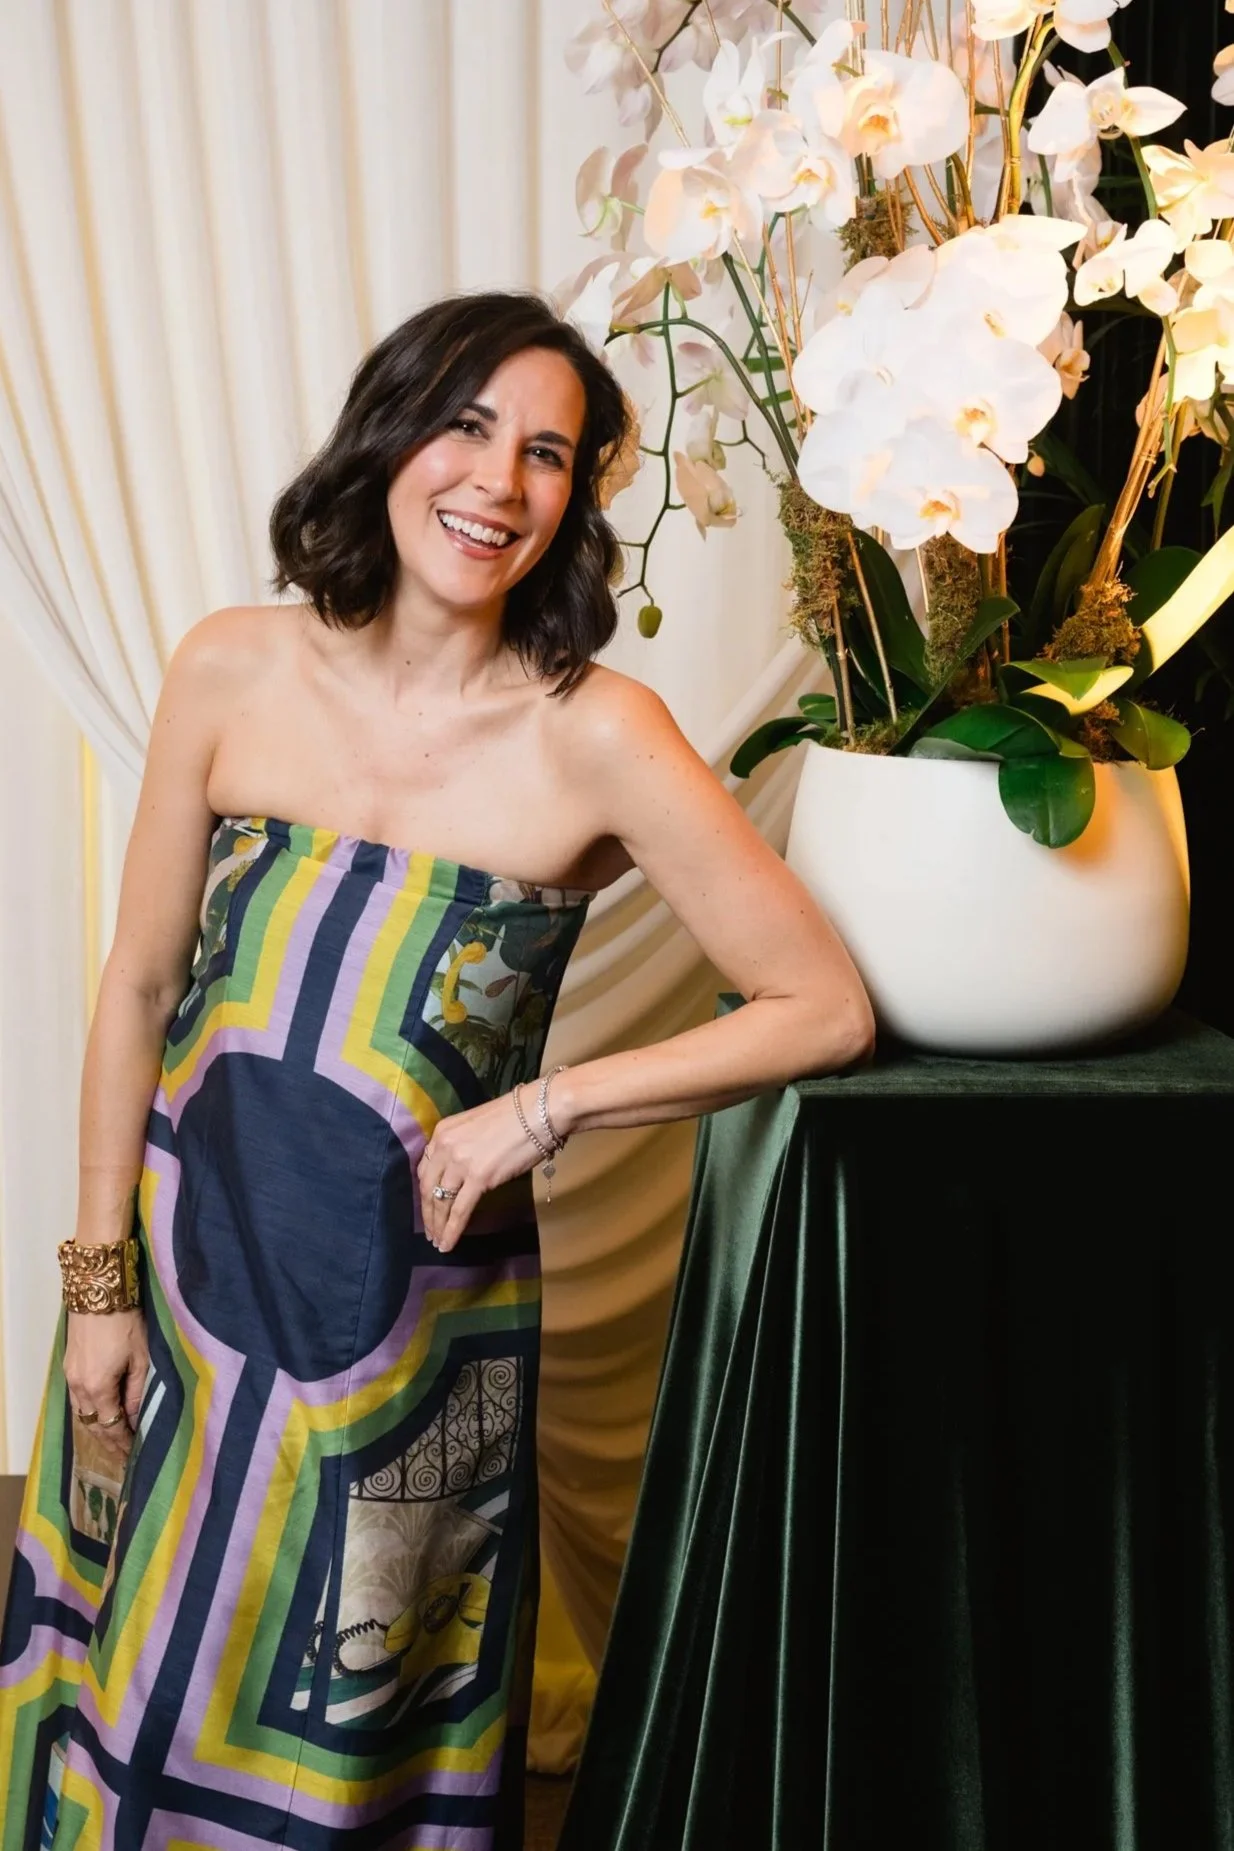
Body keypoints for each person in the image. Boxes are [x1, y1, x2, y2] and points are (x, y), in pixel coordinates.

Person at [0, 290, 874, 1849]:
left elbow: (819, 1002)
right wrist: (94, 1282)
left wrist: (542, 1108)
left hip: (404, 1341)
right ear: (389, 433)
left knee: (333, 1745)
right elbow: (136, 982)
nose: (498, 479)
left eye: (548, 452)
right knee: (116, 1677)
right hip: (178, 1286)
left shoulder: (601, 735)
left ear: (575, 501)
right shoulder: (228, 666)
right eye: (467, 425)